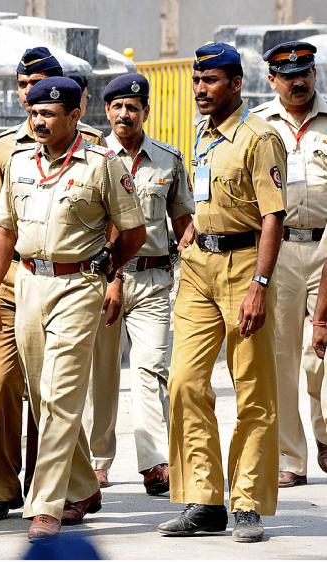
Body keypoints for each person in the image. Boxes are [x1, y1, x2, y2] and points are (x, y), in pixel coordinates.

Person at [0, 77, 146, 541]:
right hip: (30, 282)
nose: (38, 122)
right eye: (33, 113)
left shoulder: (103, 163)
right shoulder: (16, 164)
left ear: (75, 116)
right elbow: (4, 232)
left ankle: (47, 502)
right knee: (42, 392)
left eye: (48, 114)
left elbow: (133, 231)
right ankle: (84, 485)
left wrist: (106, 269)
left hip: (79, 286)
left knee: (60, 394)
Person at [157, 42, 286, 543]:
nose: (200, 90)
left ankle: (248, 502)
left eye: (210, 81)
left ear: (235, 84)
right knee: (184, 382)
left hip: (244, 266)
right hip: (198, 267)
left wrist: (259, 284)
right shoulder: (202, 136)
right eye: (196, 80)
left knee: (253, 388)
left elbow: (273, 215)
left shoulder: (259, 137)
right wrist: (192, 233)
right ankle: (204, 500)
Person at [0, 46, 65, 522]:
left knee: (50, 391)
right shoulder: (5, 147)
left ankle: (49, 485)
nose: (29, 94)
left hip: (63, 287)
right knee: (0, 382)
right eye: (23, 85)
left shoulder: (87, 144)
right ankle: (0, 486)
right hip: (7, 283)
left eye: (39, 84)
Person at [82, 73, 194, 493]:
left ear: (146, 111)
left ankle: (153, 462)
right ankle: (98, 462)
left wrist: (187, 263)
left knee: (151, 368)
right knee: (101, 373)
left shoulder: (168, 159)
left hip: (153, 279)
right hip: (101, 280)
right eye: (117, 107)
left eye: (133, 107)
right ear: (107, 112)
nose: (124, 114)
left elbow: (183, 223)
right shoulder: (90, 160)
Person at [252, 40, 327, 487]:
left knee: (322, 352)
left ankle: (326, 434)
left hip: (325, 247)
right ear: (272, 80)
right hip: (276, 251)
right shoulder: (259, 125)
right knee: (280, 358)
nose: (299, 81)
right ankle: (291, 458)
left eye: (306, 72)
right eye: (289, 75)